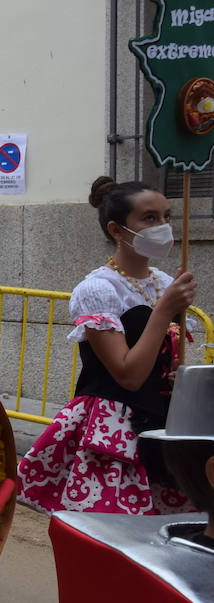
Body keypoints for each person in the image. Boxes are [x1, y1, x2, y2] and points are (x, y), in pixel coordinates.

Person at [19, 177, 199, 516]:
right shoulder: (98, 289)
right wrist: (163, 310)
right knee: (114, 534)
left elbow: (162, 359)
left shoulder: (163, 282)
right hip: (114, 430)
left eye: (167, 216)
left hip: (164, 423)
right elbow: (128, 375)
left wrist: (177, 376)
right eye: (149, 218)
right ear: (117, 230)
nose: (163, 227)